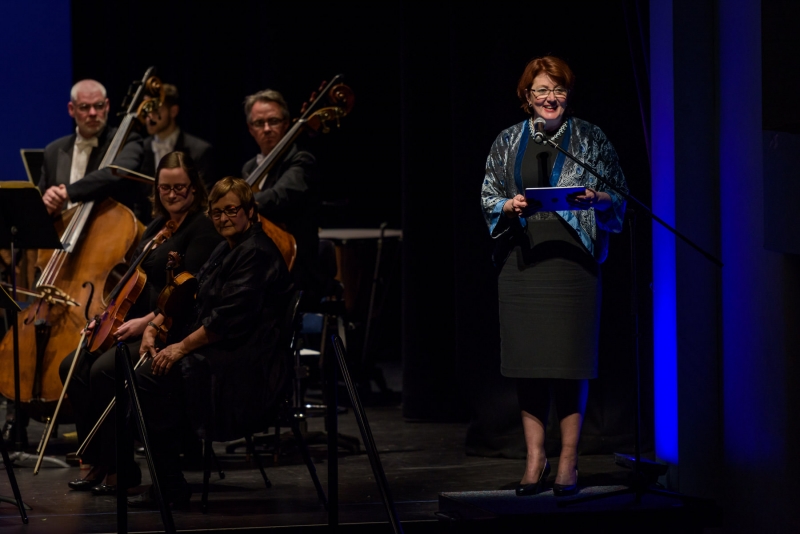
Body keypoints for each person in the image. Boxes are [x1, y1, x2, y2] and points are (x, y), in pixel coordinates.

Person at [480, 56, 628, 497]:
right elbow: (488, 195)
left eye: (558, 89)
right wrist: (509, 206)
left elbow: (619, 194)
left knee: (570, 364)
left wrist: (597, 198)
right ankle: (534, 459)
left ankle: (568, 461)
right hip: (523, 265)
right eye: (541, 90)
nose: (550, 98)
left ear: (568, 94)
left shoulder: (590, 137)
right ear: (527, 97)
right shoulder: (508, 140)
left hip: (573, 267)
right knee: (527, 365)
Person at [59, 152, 223, 494]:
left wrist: (144, 322)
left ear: (194, 188)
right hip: (140, 323)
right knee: (72, 366)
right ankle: (98, 460)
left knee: (104, 370)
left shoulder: (202, 227)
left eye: (179, 187)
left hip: (173, 327)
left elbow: (188, 292)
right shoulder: (157, 227)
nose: (172, 194)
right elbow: (132, 283)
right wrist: (104, 320)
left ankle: (122, 468)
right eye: (165, 188)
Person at [129, 177, 291, 508]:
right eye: (216, 212)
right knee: (135, 368)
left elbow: (227, 321)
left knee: (149, 379)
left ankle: (170, 485)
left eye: (231, 210)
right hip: (224, 349)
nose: (223, 218)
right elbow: (193, 293)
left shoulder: (255, 252)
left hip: (247, 363)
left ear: (250, 211)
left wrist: (179, 348)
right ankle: (159, 476)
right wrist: (155, 325)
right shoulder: (225, 247)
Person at [242, 89, 323, 298]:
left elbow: (279, 197)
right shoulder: (249, 168)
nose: (267, 129)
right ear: (250, 129)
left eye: (274, 121)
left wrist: (237, 202)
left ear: (286, 124)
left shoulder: (301, 160)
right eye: (259, 123)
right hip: (259, 268)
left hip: (296, 273)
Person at [38, 79, 150, 223]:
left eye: (99, 106)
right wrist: (48, 205)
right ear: (71, 109)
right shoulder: (53, 151)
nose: (92, 113)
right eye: (84, 107)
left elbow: (115, 173)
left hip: (109, 231)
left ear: (107, 106)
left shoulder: (128, 141)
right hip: (61, 232)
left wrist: (68, 192)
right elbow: (42, 205)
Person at [139, 83, 216, 190]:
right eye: (147, 110)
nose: (149, 117)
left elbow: (203, 194)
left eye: (155, 110)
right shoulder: (139, 150)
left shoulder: (200, 151)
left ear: (173, 111)